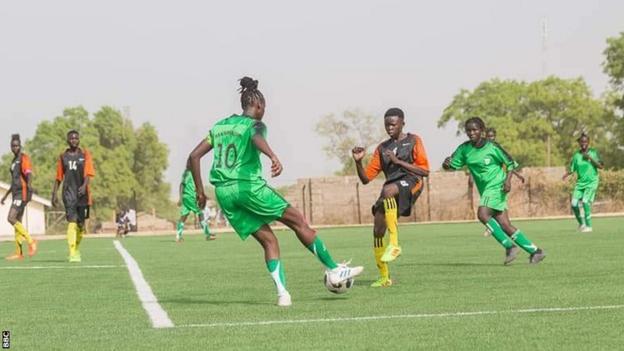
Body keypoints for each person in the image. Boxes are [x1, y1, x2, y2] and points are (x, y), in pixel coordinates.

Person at [188, 76, 363, 307]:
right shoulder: (255, 124)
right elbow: (256, 137)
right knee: (298, 221)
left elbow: (193, 156)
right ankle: (333, 269)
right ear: (259, 106)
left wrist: (201, 192)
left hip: (224, 194)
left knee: (269, 240)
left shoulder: (220, 126)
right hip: (248, 187)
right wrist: (272, 155)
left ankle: (283, 294)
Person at [443, 117, 546, 265]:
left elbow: (510, 163)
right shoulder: (464, 149)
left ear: (482, 131)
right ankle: (536, 251)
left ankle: (509, 246)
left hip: (497, 186)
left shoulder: (492, 147)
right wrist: (446, 164)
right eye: (469, 130)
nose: (471, 133)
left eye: (475, 130)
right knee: (505, 225)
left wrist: (508, 181)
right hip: (485, 189)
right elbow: (452, 166)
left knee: (483, 214)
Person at [351, 108, 429, 287]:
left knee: (387, 191)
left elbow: (425, 171)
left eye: (393, 124)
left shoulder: (414, 140)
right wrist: (358, 161)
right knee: (377, 231)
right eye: (387, 125)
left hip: (413, 181)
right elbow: (365, 179)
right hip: (391, 189)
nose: (390, 128)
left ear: (403, 123)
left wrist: (398, 162)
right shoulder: (382, 148)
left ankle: (394, 244)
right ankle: (384, 277)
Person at [51, 130, 95, 263]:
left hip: (82, 194)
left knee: (81, 225)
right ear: (67, 140)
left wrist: (84, 186)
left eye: (76, 138)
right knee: (72, 221)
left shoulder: (85, 154)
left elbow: (88, 173)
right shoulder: (63, 157)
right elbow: (59, 177)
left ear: (79, 140)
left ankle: (76, 248)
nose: (74, 140)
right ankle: (72, 252)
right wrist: (54, 193)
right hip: (68, 193)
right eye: (71, 138)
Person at [480, 127, 525, 237]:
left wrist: (516, 176)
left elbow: (509, 164)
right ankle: (506, 227)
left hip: (499, 183)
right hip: (491, 183)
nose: (490, 138)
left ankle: (491, 227)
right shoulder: (483, 149)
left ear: (495, 136)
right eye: (488, 136)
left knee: (487, 208)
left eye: (492, 136)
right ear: (485, 136)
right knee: (500, 209)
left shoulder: (497, 148)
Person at [1, 134, 38, 260]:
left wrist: (29, 189)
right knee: (18, 222)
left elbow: (28, 174)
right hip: (15, 192)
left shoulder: (23, 158)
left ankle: (31, 241)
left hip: (21, 193)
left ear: (20, 146)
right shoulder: (13, 161)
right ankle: (19, 252)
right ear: (11, 147)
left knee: (11, 218)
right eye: (13, 145)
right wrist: (5, 196)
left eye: (17, 145)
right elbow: (14, 181)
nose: (15, 147)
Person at [562, 133, 603, 233]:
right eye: (582, 141)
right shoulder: (576, 155)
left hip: (591, 182)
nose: (583, 143)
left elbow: (601, 166)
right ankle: (582, 224)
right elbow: (572, 168)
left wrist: (590, 158)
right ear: (579, 143)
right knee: (574, 204)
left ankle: (589, 226)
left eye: (585, 141)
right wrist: (566, 175)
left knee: (585, 201)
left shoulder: (593, 152)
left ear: (588, 142)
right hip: (580, 183)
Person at [176, 160, 215, 242]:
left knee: (184, 216)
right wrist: (181, 198)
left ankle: (178, 236)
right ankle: (207, 234)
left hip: (186, 197)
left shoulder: (186, 173)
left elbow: (182, 185)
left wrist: (181, 197)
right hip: (191, 197)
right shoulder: (189, 173)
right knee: (200, 213)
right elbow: (182, 185)